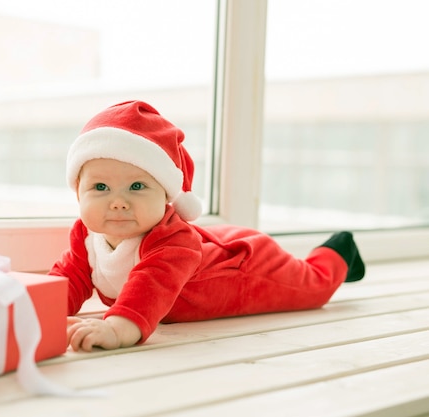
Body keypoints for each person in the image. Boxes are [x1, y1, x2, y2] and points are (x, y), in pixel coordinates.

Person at [49, 100, 365, 352]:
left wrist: (118, 329)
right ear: (78, 191)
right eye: (100, 188)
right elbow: (69, 278)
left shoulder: (171, 242)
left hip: (245, 266)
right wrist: (37, 310)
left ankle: (339, 252)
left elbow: (152, 284)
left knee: (312, 286)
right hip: (208, 246)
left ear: (166, 195)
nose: (117, 202)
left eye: (137, 187)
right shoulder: (85, 236)